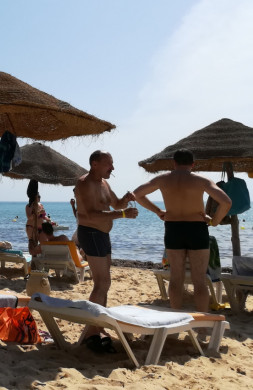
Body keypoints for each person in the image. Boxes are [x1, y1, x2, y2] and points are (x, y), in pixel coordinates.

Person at [133, 149, 232, 312]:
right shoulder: (201, 180)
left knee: (176, 278)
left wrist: (158, 211)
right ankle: (202, 321)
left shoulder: (162, 179)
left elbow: (136, 194)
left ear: (174, 163)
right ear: (193, 164)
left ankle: (175, 317)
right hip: (197, 228)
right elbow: (226, 202)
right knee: (199, 280)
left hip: (173, 228)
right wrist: (213, 221)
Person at [74, 150, 137, 353]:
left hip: (102, 234)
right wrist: (123, 214)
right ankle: (92, 331)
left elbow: (115, 204)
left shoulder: (104, 183)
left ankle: (98, 326)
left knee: (105, 283)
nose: (113, 168)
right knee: (102, 283)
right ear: (94, 164)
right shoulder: (84, 184)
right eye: (108, 164)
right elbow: (91, 215)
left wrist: (125, 200)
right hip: (91, 233)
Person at [25, 180, 46, 256]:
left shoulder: (40, 205)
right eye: (37, 196)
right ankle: (34, 260)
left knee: (44, 244)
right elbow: (29, 218)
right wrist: (39, 212)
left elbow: (42, 216)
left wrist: (47, 219)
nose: (38, 198)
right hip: (31, 227)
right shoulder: (29, 206)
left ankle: (41, 258)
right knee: (33, 245)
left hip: (40, 227)